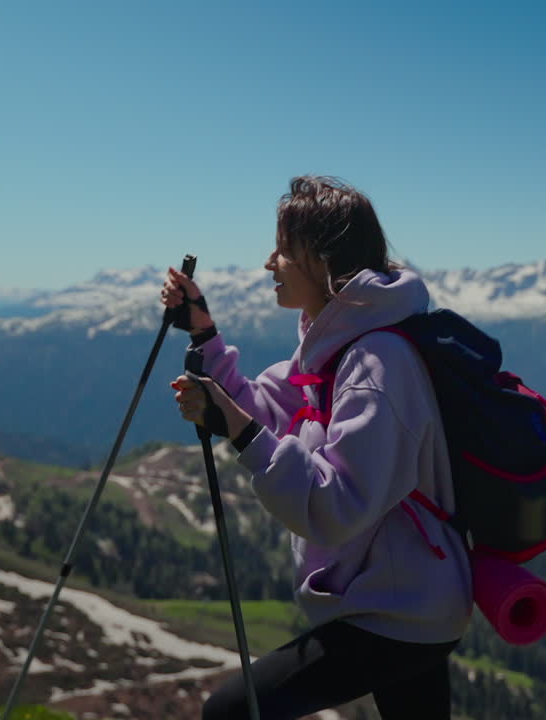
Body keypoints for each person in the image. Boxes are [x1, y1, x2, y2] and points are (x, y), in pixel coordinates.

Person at [162, 176, 472, 719]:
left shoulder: (375, 363)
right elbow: (260, 405)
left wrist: (235, 429)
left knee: (231, 712)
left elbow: (334, 509)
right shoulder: (335, 347)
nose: (268, 262)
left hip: (394, 615)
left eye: (283, 249)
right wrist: (204, 333)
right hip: (409, 600)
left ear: (323, 261)